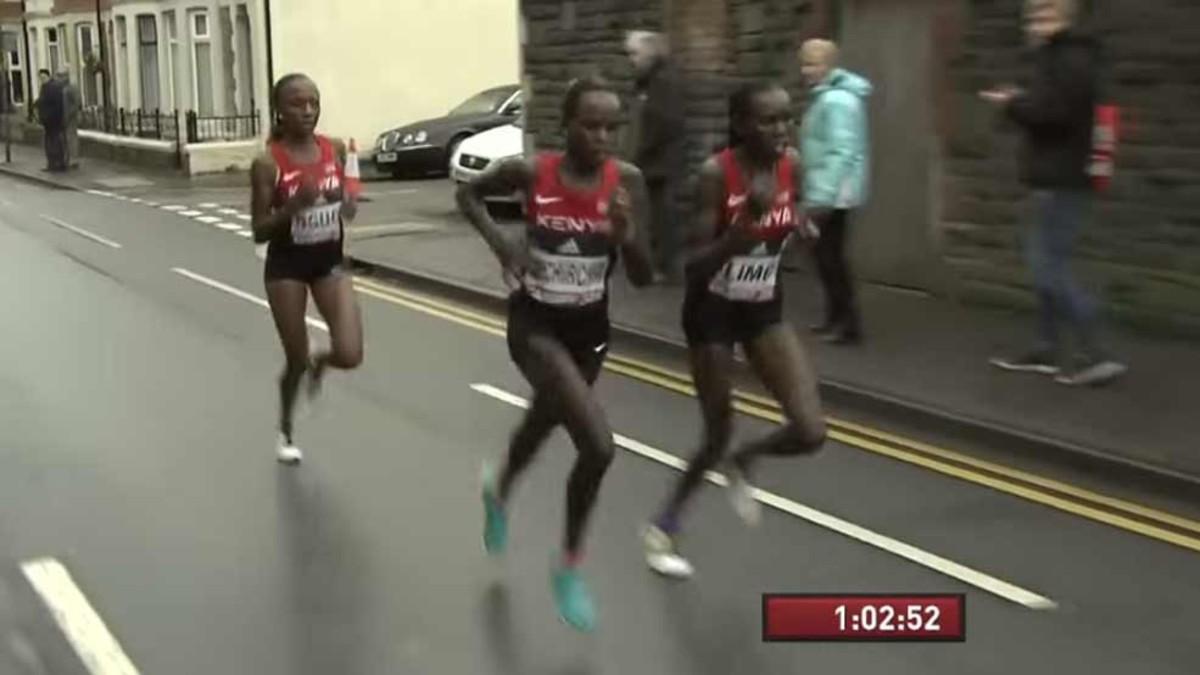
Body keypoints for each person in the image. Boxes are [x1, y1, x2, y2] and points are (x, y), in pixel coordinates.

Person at [457, 76, 654, 632]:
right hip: (535, 324)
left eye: (611, 127)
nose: (602, 136)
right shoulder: (532, 172)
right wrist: (504, 243)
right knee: (598, 445)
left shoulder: (626, 182)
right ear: (566, 125)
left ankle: (498, 488)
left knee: (544, 423)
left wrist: (625, 233)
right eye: (590, 125)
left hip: (589, 332)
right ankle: (568, 565)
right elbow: (467, 193)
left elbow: (642, 275)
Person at [641, 81, 827, 579]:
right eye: (768, 121)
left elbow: (795, 212)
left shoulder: (792, 166)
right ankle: (663, 527)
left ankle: (746, 460)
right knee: (717, 431)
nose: (781, 129)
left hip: (763, 307)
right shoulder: (715, 174)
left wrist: (803, 226)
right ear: (742, 125)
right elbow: (693, 266)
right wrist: (745, 227)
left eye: (787, 119)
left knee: (810, 431)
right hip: (712, 313)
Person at [981, 0, 1126, 386]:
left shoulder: (1067, 59)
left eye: (1041, 16)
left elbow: (1054, 115)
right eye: (1032, 16)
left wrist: (1012, 103)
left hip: (1062, 179)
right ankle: (1046, 349)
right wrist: (1020, 101)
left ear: (1061, 17)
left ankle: (1099, 351)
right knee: (1045, 263)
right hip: (1057, 177)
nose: (1033, 24)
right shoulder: (1062, 57)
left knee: (1049, 266)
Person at [250, 74, 364, 464]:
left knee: (350, 353)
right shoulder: (268, 164)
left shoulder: (332, 148)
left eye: (313, 102)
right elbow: (258, 231)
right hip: (287, 267)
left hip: (329, 260)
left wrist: (346, 198)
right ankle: (285, 429)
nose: (308, 111)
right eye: (298, 104)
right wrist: (296, 205)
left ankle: (322, 361)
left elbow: (347, 205)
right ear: (280, 111)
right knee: (295, 357)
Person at [798, 39, 872, 345]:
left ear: (829, 66)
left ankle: (848, 325)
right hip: (830, 189)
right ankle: (835, 318)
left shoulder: (837, 101)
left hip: (834, 192)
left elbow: (841, 151)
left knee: (831, 259)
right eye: (804, 63)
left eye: (814, 64)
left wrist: (822, 196)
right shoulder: (828, 97)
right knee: (826, 257)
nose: (807, 70)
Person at [624, 30, 686, 283]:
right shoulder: (647, 82)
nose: (631, 59)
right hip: (650, 163)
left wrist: (639, 154)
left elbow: (663, 124)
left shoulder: (662, 83)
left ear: (650, 53)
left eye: (634, 53)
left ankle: (665, 268)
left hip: (659, 164)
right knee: (651, 216)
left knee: (662, 217)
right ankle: (654, 264)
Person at [35, 69, 65, 172]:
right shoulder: (44, 87)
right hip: (47, 121)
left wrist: (52, 117)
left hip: (54, 120)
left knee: (55, 142)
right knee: (49, 143)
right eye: (40, 78)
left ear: (48, 77)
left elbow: (57, 105)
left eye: (43, 77)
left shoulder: (54, 88)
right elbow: (43, 101)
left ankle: (58, 164)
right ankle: (52, 164)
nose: (42, 80)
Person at [60, 70, 81, 170]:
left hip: (71, 119)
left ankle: (74, 160)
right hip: (65, 118)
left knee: (71, 139)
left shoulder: (71, 89)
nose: (60, 79)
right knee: (66, 139)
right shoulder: (63, 89)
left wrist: (68, 115)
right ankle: (67, 159)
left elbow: (76, 103)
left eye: (62, 76)